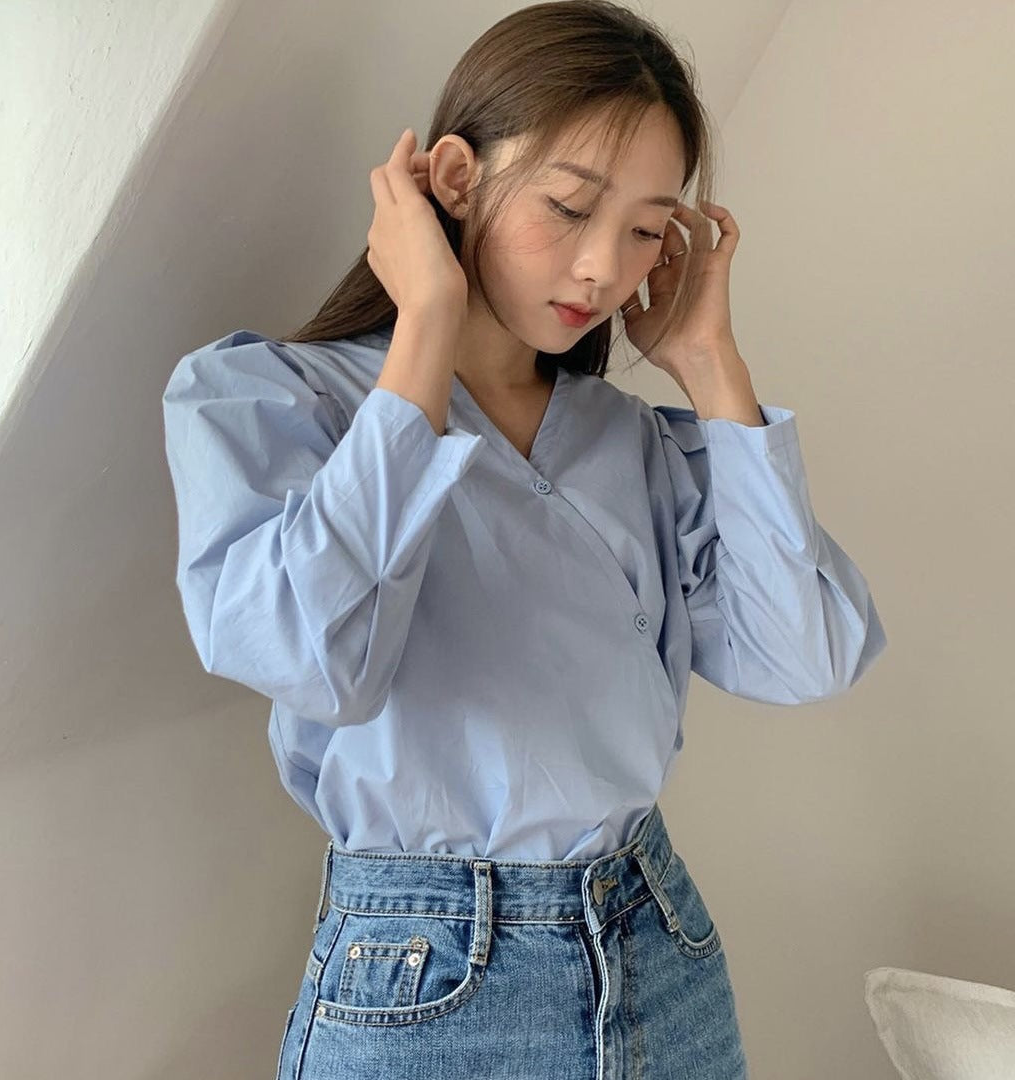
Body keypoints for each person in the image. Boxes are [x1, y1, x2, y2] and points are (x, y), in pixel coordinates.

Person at [161, 3, 888, 1077]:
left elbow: (806, 656)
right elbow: (314, 661)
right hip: (425, 976)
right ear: (457, 178)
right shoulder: (267, 399)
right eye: (570, 207)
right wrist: (425, 324)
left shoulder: (637, 442)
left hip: (657, 949)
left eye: (645, 229)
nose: (602, 269)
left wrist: (709, 364)